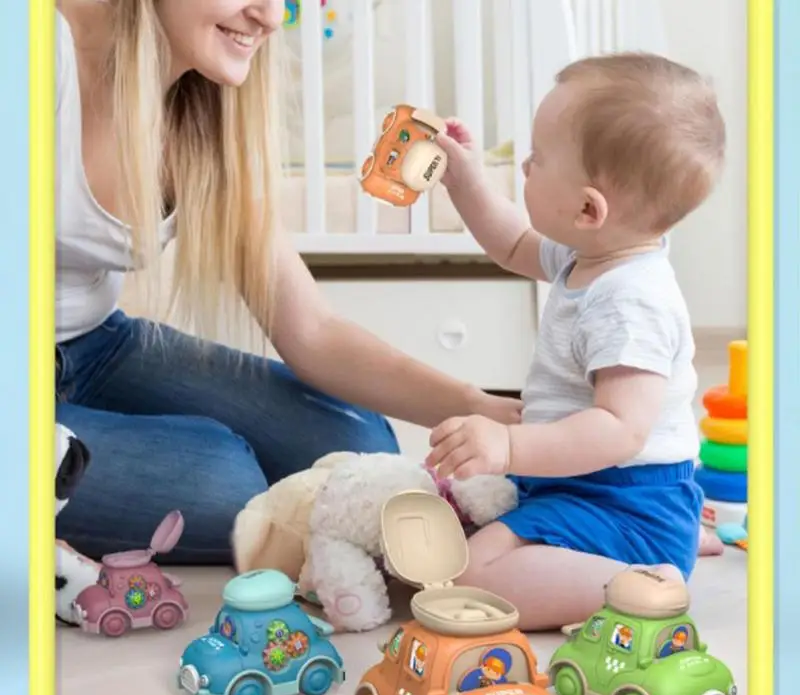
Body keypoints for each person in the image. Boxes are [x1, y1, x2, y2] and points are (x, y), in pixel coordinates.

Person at [55, 0, 521, 564]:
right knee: (225, 479)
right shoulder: (43, 55)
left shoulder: (204, 106)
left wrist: (484, 408)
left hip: (97, 345)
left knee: (359, 445)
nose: (271, 17)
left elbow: (312, 331)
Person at [426, 53, 727, 630]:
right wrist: (464, 181)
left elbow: (620, 429)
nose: (525, 167)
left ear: (589, 208)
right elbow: (512, 244)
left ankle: (646, 583)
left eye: (537, 159)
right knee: (468, 542)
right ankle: (659, 550)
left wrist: (510, 445)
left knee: (469, 575)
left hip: (625, 499)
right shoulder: (591, 254)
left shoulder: (629, 301)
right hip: (583, 484)